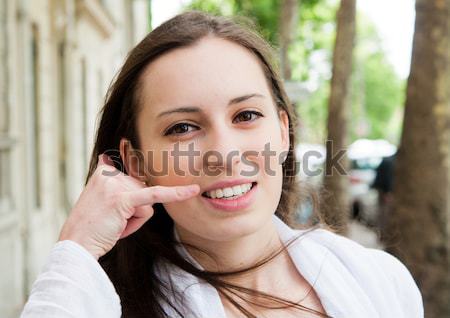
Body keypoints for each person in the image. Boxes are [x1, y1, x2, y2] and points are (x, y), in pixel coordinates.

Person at [21, 11, 423, 318]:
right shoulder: (103, 304)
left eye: (246, 115)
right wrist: (76, 249)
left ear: (283, 131)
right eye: (182, 127)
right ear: (135, 161)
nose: (225, 153)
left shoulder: (380, 282)